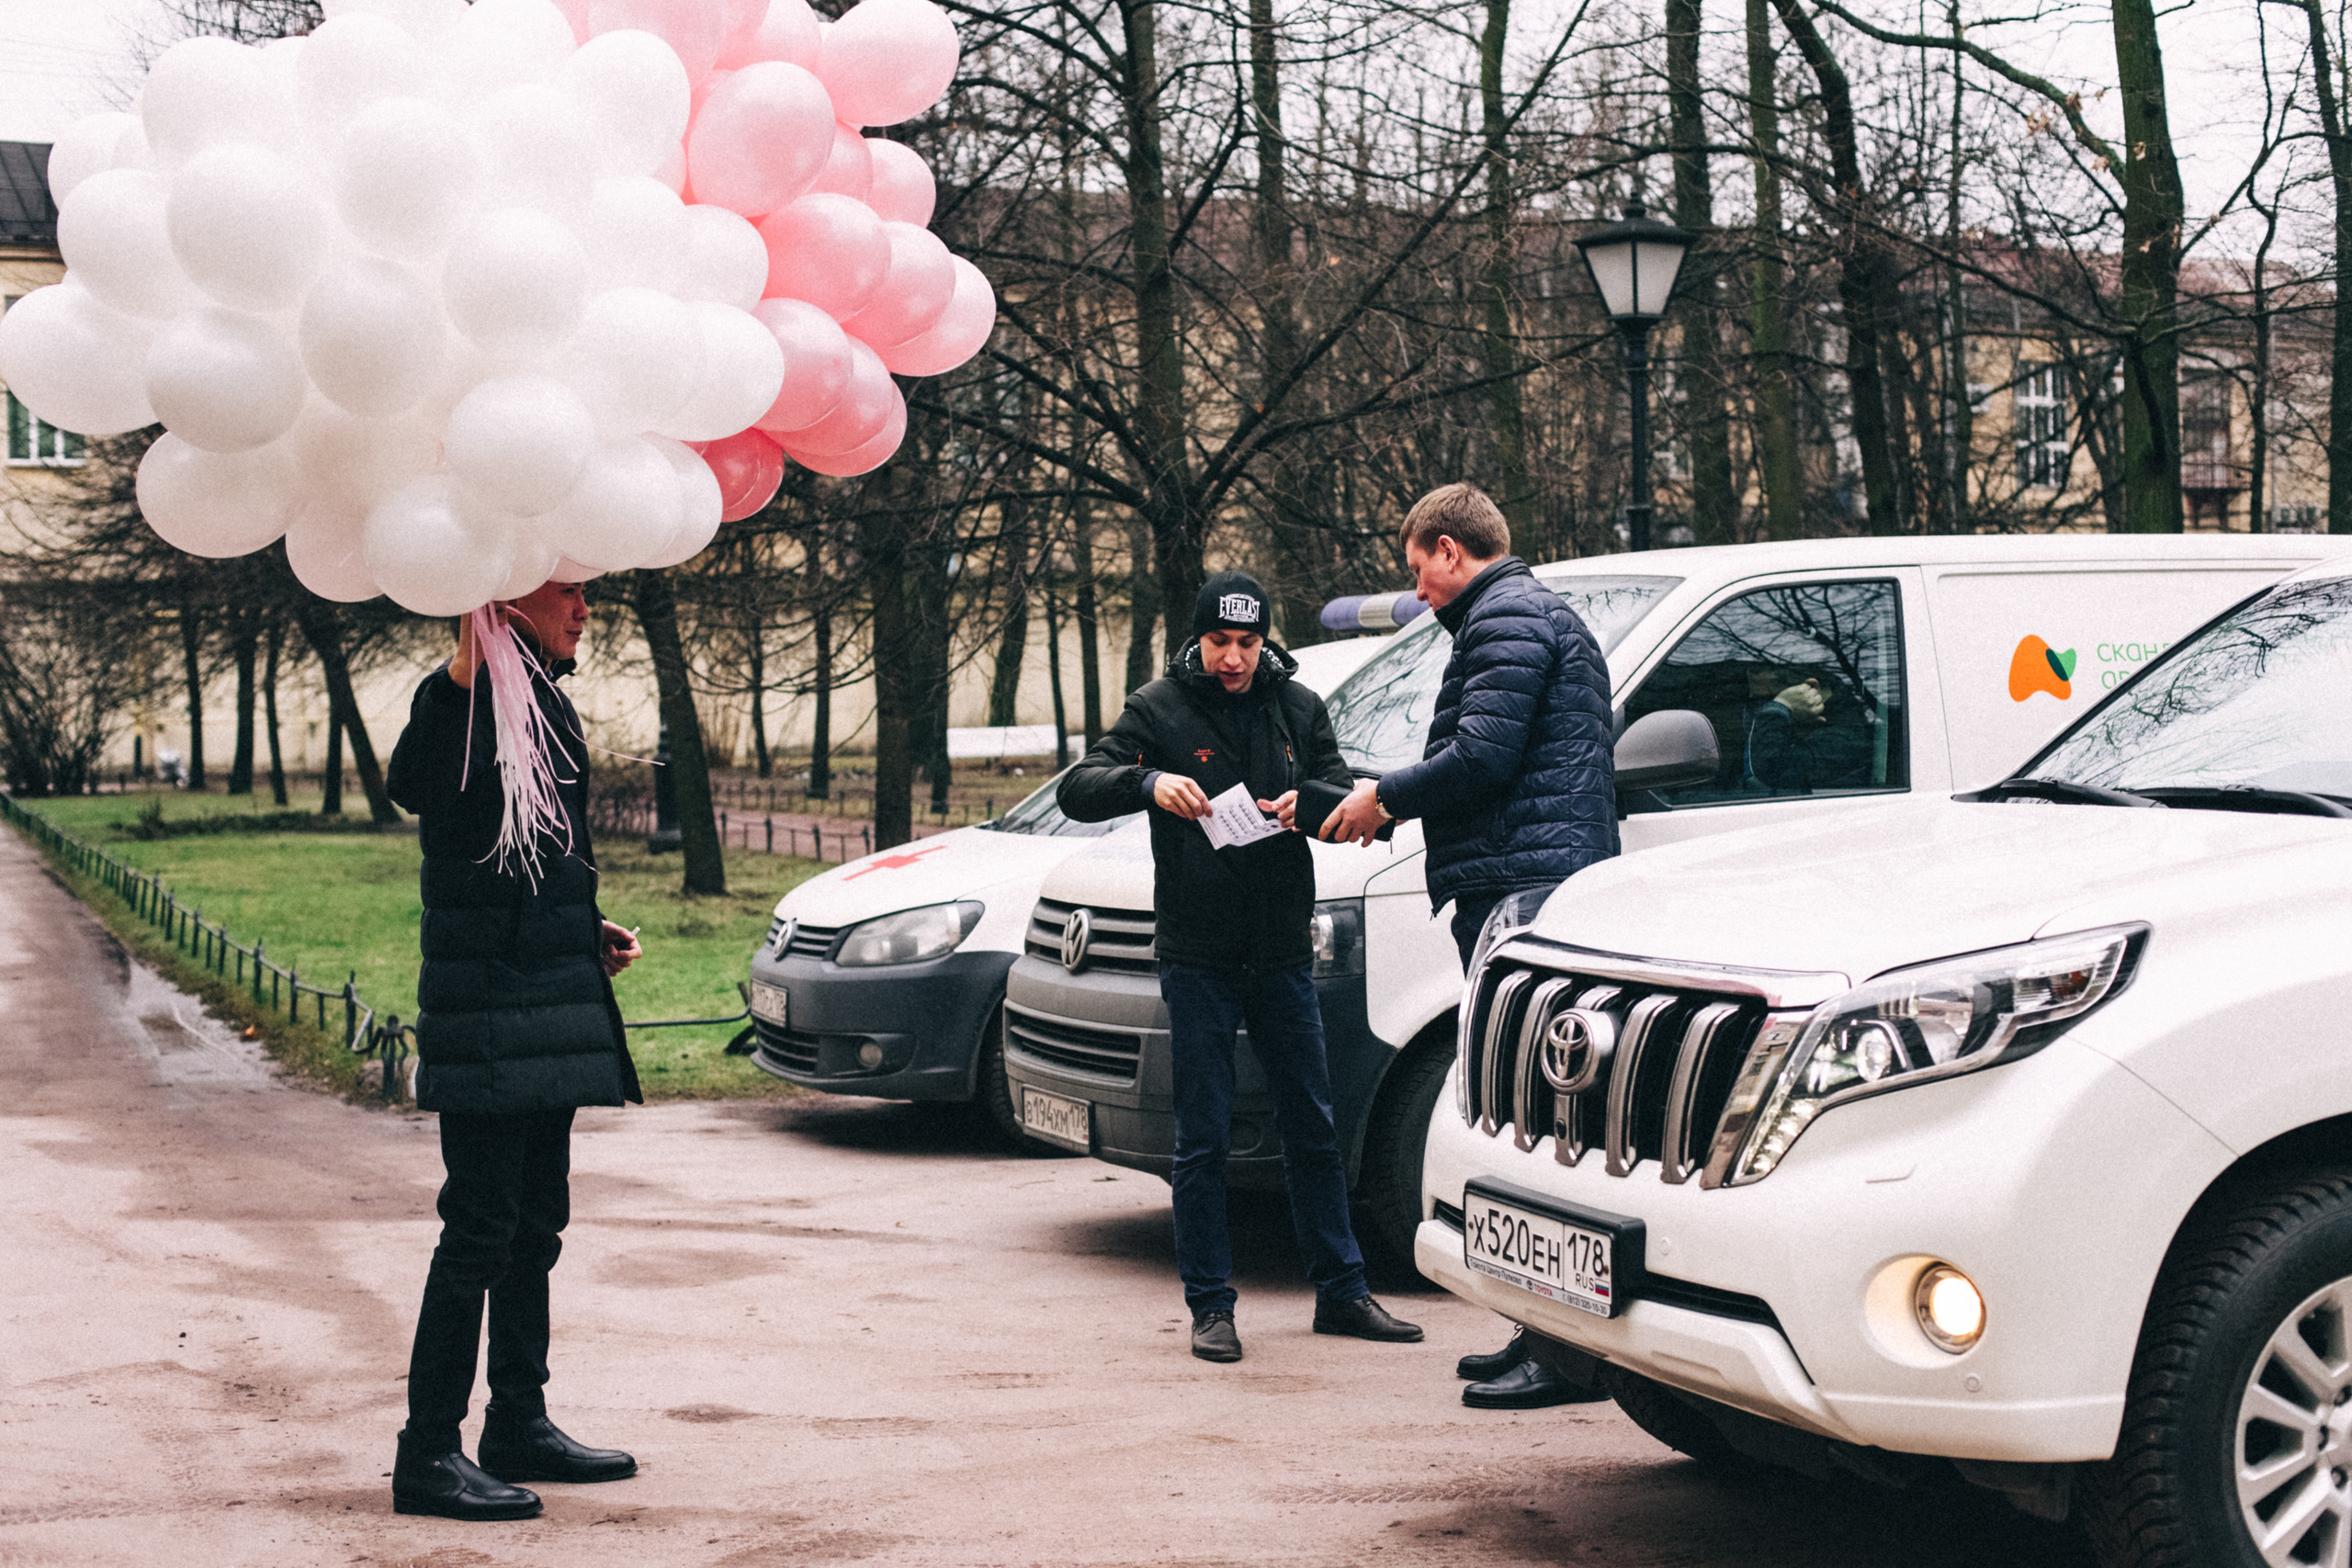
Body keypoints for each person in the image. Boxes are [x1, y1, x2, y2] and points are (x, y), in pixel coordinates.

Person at [1058, 570, 1422, 1363]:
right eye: (1220, 642)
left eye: (1247, 643)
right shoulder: (1158, 706)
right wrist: (1150, 782)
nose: (1233, 658)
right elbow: (1079, 788)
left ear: (1265, 641)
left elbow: (1340, 792)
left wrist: (1310, 803)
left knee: (1313, 1124)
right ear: (1198, 638)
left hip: (1283, 947)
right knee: (1204, 1131)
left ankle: (1344, 1291)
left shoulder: (1296, 706)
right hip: (1198, 954)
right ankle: (1210, 1305)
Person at [1319, 483, 1616, 1411]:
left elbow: (1481, 757)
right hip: (1525, 879)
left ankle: (1563, 1355)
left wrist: (1385, 798)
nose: (1420, 592)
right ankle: (1545, 1336)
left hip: (1520, 892)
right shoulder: (1519, 617)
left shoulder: (1505, 621)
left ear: (1450, 551)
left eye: (1418, 571)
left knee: (1539, 1119)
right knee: (1536, 1118)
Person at [384, 578, 646, 1521]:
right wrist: (466, 641)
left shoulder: (546, 703)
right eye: (566, 590)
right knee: (480, 1234)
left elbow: (506, 858)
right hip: (490, 1013)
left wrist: (583, 926)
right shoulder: (462, 699)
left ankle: (518, 1423)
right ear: (506, 593)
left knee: (535, 1228)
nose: (585, 608)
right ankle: (427, 1454)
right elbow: (420, 785)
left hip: (546, 999)